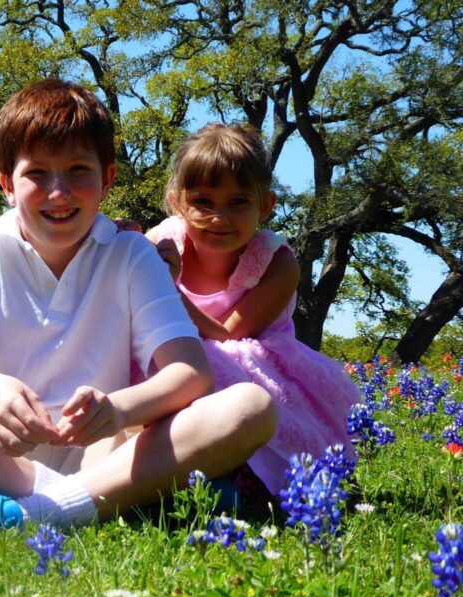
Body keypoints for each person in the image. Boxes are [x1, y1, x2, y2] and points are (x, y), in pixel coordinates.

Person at [0, 79, 277, 530]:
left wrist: (118, 410)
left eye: (77, 170)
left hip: (101, 455)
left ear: (106, 179)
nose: (59, 191)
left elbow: (190, 373)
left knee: (251, 406)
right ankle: (110, 503)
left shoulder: (132, 255)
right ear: (7, 184)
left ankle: (26, 514)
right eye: (37, 174)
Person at [144, 123, 362, 499]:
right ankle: (160, 466)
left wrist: (168, 291)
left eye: (238, 202)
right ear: (178, 202)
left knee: (211, 361)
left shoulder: (277, 262)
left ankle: (241, 475)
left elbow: (230, 333)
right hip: (176, 356)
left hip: (255, 366)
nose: (220, 217)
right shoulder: (163, 243)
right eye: (203, 202)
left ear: (267, 205)